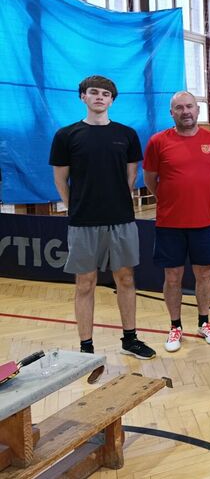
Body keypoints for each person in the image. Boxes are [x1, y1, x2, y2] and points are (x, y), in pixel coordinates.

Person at [49, 75, 155, 373]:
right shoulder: (66, 135)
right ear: (83, 96)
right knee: (85, 283)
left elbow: (130, 177)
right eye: (94, 92)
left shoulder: (127, 135)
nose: (99, 97)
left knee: (126, 279)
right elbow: (60, 179)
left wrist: (114, 201)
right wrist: (75, 207)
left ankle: (130, 339)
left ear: (112, 100)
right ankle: (86, 348)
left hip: (121, 220)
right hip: (83, 222)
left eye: (106, 94)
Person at [143, 91, 210, 353]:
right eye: (179, 108)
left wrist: (203, 199)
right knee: (172, 277)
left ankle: (204, 322)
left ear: (198, 109)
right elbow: (150, 180)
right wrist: (169, 200)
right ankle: (175, 326)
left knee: (204, 274)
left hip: (204, 222)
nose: (186, 112)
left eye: (190, 106)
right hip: (169, 224)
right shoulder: (158, 141)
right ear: (172, 113)